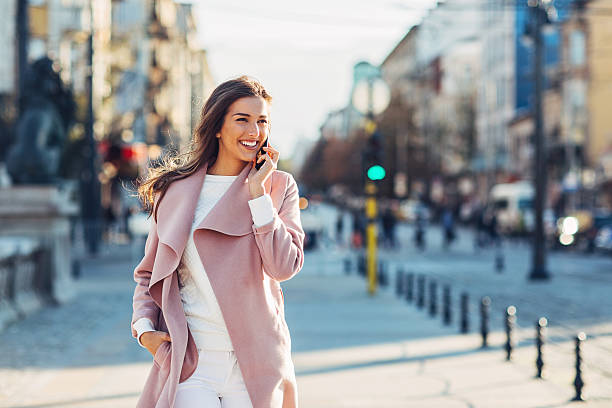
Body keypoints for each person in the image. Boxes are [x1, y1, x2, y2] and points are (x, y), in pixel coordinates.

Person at [131, 76, 305, 408]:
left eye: (262, 121)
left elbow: (283, 267)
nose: (254, 131)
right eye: (242, 119)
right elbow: (148, 274)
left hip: (256, 363)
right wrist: (144, 330)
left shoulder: (279, 187)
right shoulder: (176, 191)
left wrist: (258, 196)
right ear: (217, 127)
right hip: (190, 361)